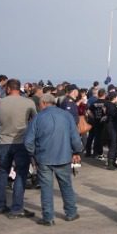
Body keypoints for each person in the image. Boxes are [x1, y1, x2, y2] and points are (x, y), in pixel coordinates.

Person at [24, 93, 82, 226]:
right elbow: (75, 137)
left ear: (43, 103)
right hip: (63, 156)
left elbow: (28, 142)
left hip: (44, 158)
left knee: (46, 188)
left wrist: (33, 154)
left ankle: (48, 217)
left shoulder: (38, 118)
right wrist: (77, 151)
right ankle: (71, 212)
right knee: (66, 185)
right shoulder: (66, 116)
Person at [0, 79, 37, 217]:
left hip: (3, 141)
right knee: (21, 173)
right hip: (21, 141)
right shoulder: (28, 102)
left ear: (7, 89)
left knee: (2, 172)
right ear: (20, 88)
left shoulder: (1, 102)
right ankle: (17, 208)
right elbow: (35, 120)